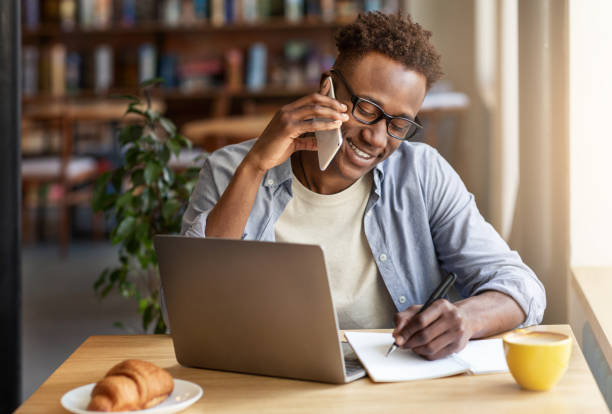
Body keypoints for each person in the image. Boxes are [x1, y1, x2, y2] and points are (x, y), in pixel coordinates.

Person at [181, 12, 545, 360]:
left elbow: (522, 287)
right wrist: (256, 165)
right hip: (262, 378)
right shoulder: (232, 169)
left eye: (399, 124)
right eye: (368, 108)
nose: (376, 137)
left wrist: (465, 318)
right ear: (327, 88)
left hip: (387, 384)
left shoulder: (421, 173)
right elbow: (191, 304)